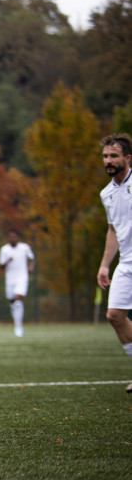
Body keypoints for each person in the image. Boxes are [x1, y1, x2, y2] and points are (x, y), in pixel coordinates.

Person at [96, 133, 132, 393]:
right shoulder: (106, 193)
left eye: (114, 156)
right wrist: (105, 264)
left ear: (127, 158)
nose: (108, 161)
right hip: (127, 263)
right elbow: (113, 229)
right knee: (114, 316)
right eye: (106, 156)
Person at [0, 229, 35, 337]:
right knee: (12, 303)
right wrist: (7, 261)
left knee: (18, 301)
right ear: (8, 238)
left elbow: (32, 258)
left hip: (22, 277)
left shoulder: (24, 248)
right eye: (11, 237)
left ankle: (18, 327)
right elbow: (1, 266)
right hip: (10, 279)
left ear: (18, 238)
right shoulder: (4, 250)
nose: (13, 239)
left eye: (15, 237)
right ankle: (17, 323)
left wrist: (31, 267)